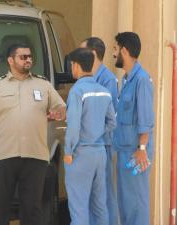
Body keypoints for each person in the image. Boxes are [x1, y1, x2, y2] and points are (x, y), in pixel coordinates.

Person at [0, 43, 66, 225]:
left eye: (30, 56)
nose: (28, 60)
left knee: (32, 209)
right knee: (0, 208)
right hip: (3, 155)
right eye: (23, 57)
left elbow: (61, 107)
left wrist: (58, 113)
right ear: (11, 60)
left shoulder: (43, 84)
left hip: (36, 156)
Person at [64, 48, 116, 225]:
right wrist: (96, 134)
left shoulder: (77, 91)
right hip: (99, 153)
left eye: (72, 65)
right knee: (100, 206)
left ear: (76, 66)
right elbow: (112, 123)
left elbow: (73, 126)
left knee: (79, 208)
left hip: (80, 153)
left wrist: (68, 151)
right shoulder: (104, 91)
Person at [113, 32, 154, 225]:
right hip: (124, 151)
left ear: (124, 51)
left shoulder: (141, 80)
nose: (113, 54)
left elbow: (145, 118)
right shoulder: (126, 80)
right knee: (126, 204)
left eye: (115, 49)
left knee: (137, 204)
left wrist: (142, 149)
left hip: (136, 154)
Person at [80, 37, 119, 225]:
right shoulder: (86, 77)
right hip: (88, 146)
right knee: (89, 195)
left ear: (92, 53)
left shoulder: (107, 79)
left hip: (102, 145)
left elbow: (108, 116)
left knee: (103, 196)